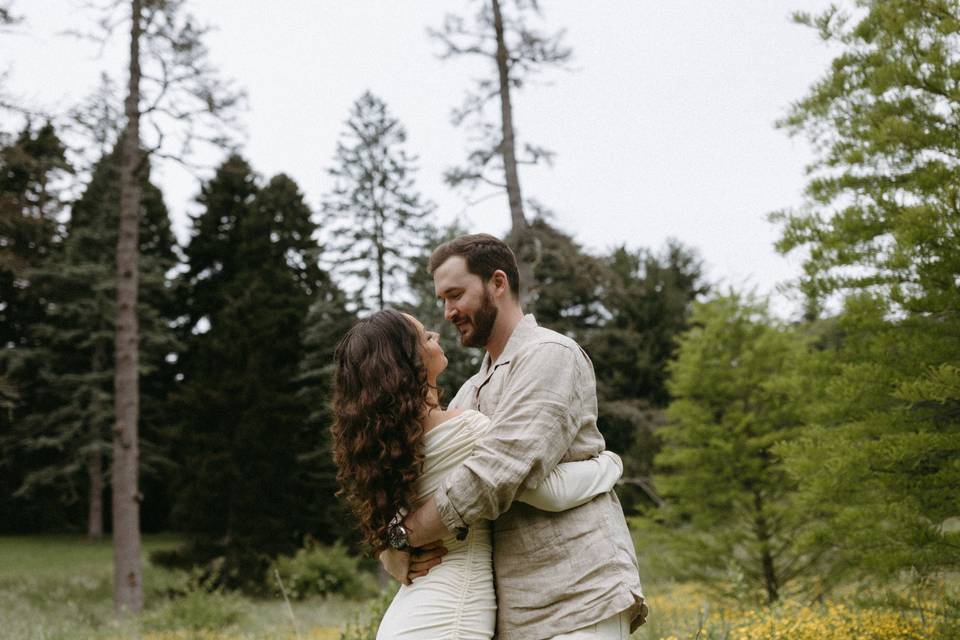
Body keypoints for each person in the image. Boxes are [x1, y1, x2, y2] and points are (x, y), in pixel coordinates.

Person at [381, 234, 647, 639]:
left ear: (498, 283)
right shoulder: (469, 391)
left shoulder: (549, 354)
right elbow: (430, 474)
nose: (448, 312)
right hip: (513, 612)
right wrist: (389, 545)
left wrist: (408, 535)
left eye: (455, 295)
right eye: (442, 300)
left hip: (578, 596)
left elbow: (501, 471)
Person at [331, 308, 625, 640]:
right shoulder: (467, 428)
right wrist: (610, 465)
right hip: (450, 614)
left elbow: (392, 527)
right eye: (425, 336)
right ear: (407, 362)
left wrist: (393, 544)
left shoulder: (390, 449)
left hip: (411, 614)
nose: (437, 335)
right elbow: (550, 493)